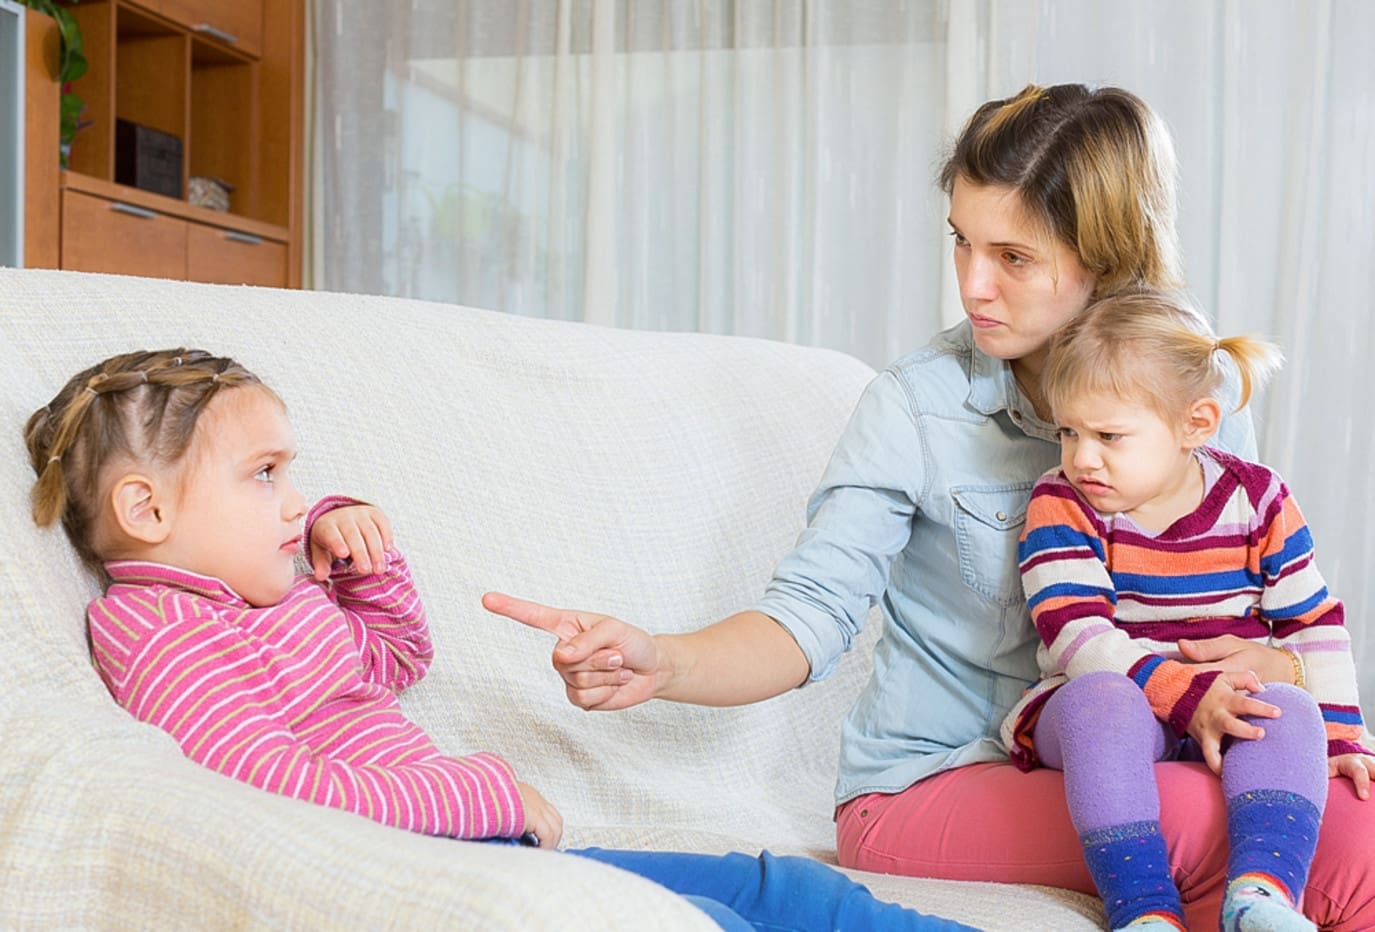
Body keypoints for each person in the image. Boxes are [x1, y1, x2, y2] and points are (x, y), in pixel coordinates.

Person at [482, 83, 1375, 930]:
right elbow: (809, 615)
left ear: (1103, 260)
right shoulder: (914, 405)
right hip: (935, 782)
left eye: (1013, 257)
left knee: (1345, 820)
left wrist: (1288, 673)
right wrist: (661, 662)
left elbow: (1264, 610)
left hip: (1165, 734)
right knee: (1200, 819)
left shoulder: (1193, 389)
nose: (972, 285)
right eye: (961, 241)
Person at [24, 347, 972, 932]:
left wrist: (358, 565)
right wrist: (482, 792)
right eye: (263, 475)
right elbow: (273, 792)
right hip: (419, 875)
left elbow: (395, 664)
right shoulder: (160, 629)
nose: (296, 499)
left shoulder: (270, 594)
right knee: (714, 917)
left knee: (785, 893)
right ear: (144, 508)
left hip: (471, 850)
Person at [1000, 290, 1373, 932]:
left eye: (1108, 435)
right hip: (1111, 696)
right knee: (1101, 701)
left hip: (1227, 701)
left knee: (1290, 709)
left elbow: (1312, 623)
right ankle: (1142, 908)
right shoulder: (1061, 504)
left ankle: (1259, 896)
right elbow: (1075, 632)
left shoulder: (1258, 499)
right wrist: (1182, 690)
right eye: (1069, 431)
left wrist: (1344, 737)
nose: (1081, 456)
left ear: (1195, 425)